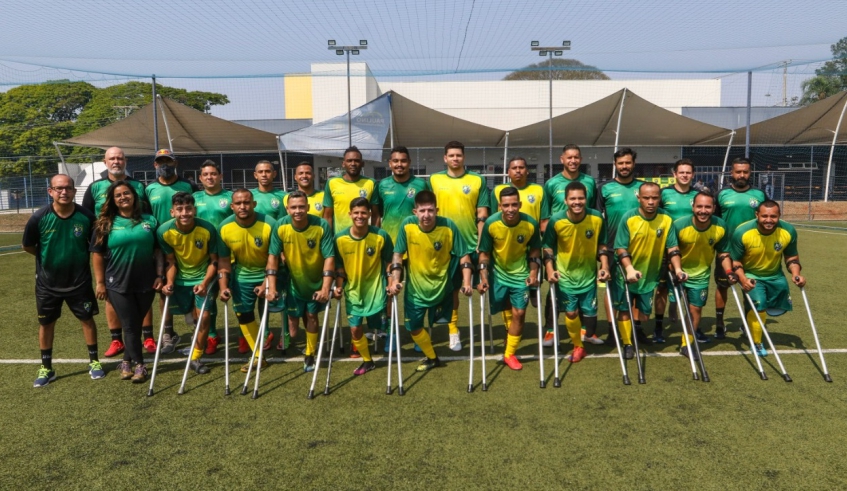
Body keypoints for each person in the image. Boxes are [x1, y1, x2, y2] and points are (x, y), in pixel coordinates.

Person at [24, 174, 103, 387]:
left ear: (74, 191)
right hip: (47, 283)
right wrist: (49, 261)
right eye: (59, 189)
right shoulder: (39, 218)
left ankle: (94, 362)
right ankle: (47, 368)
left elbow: (95, 247)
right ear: (50, 191)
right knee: (46, 323)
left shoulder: (87, 217)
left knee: (87, 320)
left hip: (79, 282)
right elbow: (29, 246)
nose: (64, 192)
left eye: (68, 188)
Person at [389, 190, 474, 372]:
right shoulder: (407, 226)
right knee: (414, 329)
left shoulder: (448, 226)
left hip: (442, 290)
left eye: (430, 211)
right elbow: (397, 255)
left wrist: (467, 282)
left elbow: (464, 256)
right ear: (415, 212)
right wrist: (394, 280)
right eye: (422, 211)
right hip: (415, 291)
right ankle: (432, 357)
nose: (426, 215)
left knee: (444, 320)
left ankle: (453, 333)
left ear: (437, 210)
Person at [90, 181, 164, 383]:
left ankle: (126, 361)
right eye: (118, 195)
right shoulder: (104, 224)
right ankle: (140, 365)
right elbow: (97, 255)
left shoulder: (150, 220)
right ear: (113, 200)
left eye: (126, 193)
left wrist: (159, 275)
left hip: (146, 282)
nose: (123, 197)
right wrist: (100, 283)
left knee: (136, 324)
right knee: (130, 325)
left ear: (134, 196)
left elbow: (157, 251)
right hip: (117, 282)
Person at [81, 146, 148, 358]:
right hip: (110, 246)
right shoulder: (95, 187)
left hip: (136, 246)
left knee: (142, 293)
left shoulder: (138, 185)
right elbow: (87, 218)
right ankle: (116, 340)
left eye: (119, 158)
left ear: (125, 161)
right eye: (112, 158)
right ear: (105, 161)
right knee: (111, 296)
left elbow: (146, 214)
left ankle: (148, 337)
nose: (116, 161)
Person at [613, 182, 686, 359]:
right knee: (625, 309)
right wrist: (629, 269)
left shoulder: (666, 219)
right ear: (639, 198)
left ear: (660, 198)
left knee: (644, 315)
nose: (651, 202)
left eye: (654, 198)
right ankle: (627, 343)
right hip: (626, 272)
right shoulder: (629, 218)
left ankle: (637, 330)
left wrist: (678, 269)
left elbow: (673, 247)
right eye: (646, 198)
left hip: (649, 272)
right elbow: (620, 248)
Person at [429, 141, 490, 351]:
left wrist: (481, 244)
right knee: (453, 292)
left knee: (481, 287)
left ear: (464, 158)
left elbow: (482, 215)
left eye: (459, 155)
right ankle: (453, 331)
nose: (455, 159)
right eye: (451, 155)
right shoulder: (434, 180)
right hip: (445, 247)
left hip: (471, 244)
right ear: (445, 158)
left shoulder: (477, 180)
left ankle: (490, 332)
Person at [266, 191, 335, 373]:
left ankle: (310, 353)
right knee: (293, 324)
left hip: (315, 281)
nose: (298, 210)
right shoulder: (281, 226)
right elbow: (272, 257)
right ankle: (289, 336)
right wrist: (271, 287)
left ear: (308, 207)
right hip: (294, 282)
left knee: (312, 317)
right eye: (294, 207)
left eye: (301, 206)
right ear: (287, 209)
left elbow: (329, 257)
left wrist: (325, 288)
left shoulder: (321, 226)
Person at [542, 182, 610, 363]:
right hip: (565, 277)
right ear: (565, 200)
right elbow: (547, 247)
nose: (577, 202)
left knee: (589, 315)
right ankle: (578, 347)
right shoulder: (556, 220)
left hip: (588, 276)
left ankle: (585, 338)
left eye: (581, 198)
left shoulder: (596, 218)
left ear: (586, 198)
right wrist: (550, 269)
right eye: (573, 198)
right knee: (571, 313)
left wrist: (604, 266)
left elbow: (602, 245)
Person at [217, 189, 283, 373]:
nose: (243, 206)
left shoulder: (269, 224)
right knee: (244, 315)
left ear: (254, 204)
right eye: (238, 203)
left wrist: (266, 283)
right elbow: (223, 260)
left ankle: (278, 340)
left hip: (268, 274)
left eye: (247, 202)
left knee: (269, 313)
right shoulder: (224, 227)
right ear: (232, 207)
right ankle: (258, 355)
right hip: (242, 277)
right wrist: (223, 286)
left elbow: (275, 257)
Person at [372, 145, 430, 350]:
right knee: (390, 291)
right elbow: (377, 216)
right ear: (390, 163)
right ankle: (391, 333)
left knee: (416, 291)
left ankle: (418, 333)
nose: (399, 164)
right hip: (389, 247)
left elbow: (427, 214)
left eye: (403, 161)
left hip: (415, 246)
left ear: (409, 162)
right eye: (395, 161)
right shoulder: (382, 185)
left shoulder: (421, 184)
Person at [477, 187, 541, 371]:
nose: (510, 209)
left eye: (514, 204)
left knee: (519, 313)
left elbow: (535, 249)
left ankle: (509, 354)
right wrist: (483, 277)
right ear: (499, 206)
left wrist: (533, 273)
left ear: (520, 204)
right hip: (498, 275)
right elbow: (484, 254)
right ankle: (508, 335)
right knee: (504, 306)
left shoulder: (530, 224)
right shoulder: (491, 223)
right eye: (506, 205)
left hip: (520, 276)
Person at [729, 200, 803, 357]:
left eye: (773, 216)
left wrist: (795, 274)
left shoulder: (788, 231)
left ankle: (747, 326)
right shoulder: (742, 232)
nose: (769, 220)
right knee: (759, 306)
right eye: (764, 216)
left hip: (776, 276)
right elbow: (735, 262)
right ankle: (756, 343)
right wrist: (742, 279)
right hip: (751, 275)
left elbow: (792, 258)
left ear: (779, 216)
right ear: (757, 215)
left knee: (775, 310)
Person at [541, 144, 597, 344]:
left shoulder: (590, 182)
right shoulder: (551, 183)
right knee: (555, 286)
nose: (573, 161)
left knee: (584, 284)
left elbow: (593, 211)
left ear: (581, 159)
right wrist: (549, 246)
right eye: (569, 157)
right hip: (559, 242)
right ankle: (550, 330)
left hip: (583, 241)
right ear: (561, 159)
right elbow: (545, 216)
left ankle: (584, 330)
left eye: (576, 157)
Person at [157, 192, 219, 374]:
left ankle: (196, 357)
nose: (184, 213)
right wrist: (169, 282)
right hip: (180, 280)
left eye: (188, 208)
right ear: (172, 212)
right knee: (190, 317)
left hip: (202, 278)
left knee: (204, 317)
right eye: (180, 209)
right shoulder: (164, 231)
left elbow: (214, 261)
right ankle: (183, 330)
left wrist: (205, 282)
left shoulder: (207, 229)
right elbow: (170, 261)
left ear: (195, 209)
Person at [332, 197, 393, 376]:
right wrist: (339, 286)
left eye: (363, 213)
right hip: (353, 292)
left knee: (380, 326)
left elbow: (389, 261)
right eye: (356, 213)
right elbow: (339, 267)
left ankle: (388, 340)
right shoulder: (340, 238)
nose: (360, 216)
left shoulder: (381, 236)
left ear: (369, 214)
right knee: (355, 328)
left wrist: (391, 281)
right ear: (350, 214)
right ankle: (368, 361)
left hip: (376, 291)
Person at [144, 149, 196, 354]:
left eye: (168, 161)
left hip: (187, 242)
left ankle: (195, 330)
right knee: (164, 289)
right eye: (161, 162)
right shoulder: (149, 189)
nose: (165, 165)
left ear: (176, 162)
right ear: (155, 165)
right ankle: (169, 333)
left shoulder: (189, 185)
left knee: (191, 285)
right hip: (160, 245)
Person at [672, 192, 734, 359]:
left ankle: (686, 344)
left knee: (695, 309)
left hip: (700, 275)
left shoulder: (720, 226)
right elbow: (671, 251)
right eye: (699, 206)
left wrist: (729, 272)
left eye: (707, 207)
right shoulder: (679, 225)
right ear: (693, 207)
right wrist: (676, 270)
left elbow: (723, 253)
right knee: (672, 304)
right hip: (677, 272)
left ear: (714, 208)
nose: (703, 210)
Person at [491, 156, 546, 337]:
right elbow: (493, 220)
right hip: (507, 249)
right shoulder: (498, 190)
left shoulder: (538, 190)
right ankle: (509, 328)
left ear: (527, 170)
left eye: (521, 167)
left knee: (530, 286)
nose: (518, 171)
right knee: (508, 292)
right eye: (514, 168)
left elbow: (544, 219)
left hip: (531, 247)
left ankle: (531, 295)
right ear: (508, 171)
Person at [713, 158, 767, 338]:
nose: (742, 175)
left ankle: (746, 323)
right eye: (738, 172)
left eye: (745, 172)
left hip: (752, 249)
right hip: (727, 249)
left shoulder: (759, 194)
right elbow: (715, 221)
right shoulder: (722, 194)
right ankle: (720, 323)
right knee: (723, 286)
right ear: (731, 173)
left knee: (750, 285)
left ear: (750, 173)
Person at [597, 148, 645, 343]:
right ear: (615, 165)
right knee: (611, 289)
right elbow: (598, 219)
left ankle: (635, 328)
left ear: (633, 164)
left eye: (628, 162)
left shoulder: (642, 188)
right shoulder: (604, 188)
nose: (624, 166)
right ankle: (612, 329)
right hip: (611, 246)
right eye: (620, 163)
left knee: (637, 287)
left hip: (639, 246)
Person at [654, 158, 700, 342]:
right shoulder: (664, 194)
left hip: (690, 249)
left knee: (690, 287)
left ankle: (691, 327)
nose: (684, 175)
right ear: (674, 174)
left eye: (688, 172)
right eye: (681, 172)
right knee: (662, 288)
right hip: (666, 248)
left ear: (693, 174)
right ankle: (658, 327)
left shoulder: (698, 195)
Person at [192, 160, 233, 354]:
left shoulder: (231, 197)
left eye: (214, 174)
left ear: (220, 176)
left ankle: (244, 336)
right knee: (209, 296)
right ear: (200, 178)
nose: (210, 177)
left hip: (230, 254)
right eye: (206, 174)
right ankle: (212, 335)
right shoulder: (195, 198)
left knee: (237, 294)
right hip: (205, 256)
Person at [249, 160, 288, 351]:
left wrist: (282, 252)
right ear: (255, 175)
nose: (264, 174)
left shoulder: (283, 196)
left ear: (274, 174)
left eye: (268, 171)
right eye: (260, 172)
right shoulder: (249, 196)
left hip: (278, 252)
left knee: (282, 293)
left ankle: (285, 331)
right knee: (261, 293)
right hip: (255, 252)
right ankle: (265, 333)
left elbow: (285, 225)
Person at [322, 146, 376, 233]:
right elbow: (327, 216)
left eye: (357, 161)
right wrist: (327, 239)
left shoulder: (371, 183)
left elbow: (375, 215)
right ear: (343, 163)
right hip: (340, 240)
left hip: (364, 239)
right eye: (349, 160)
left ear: (362, 164)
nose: (353, 163)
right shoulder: (332, 183)